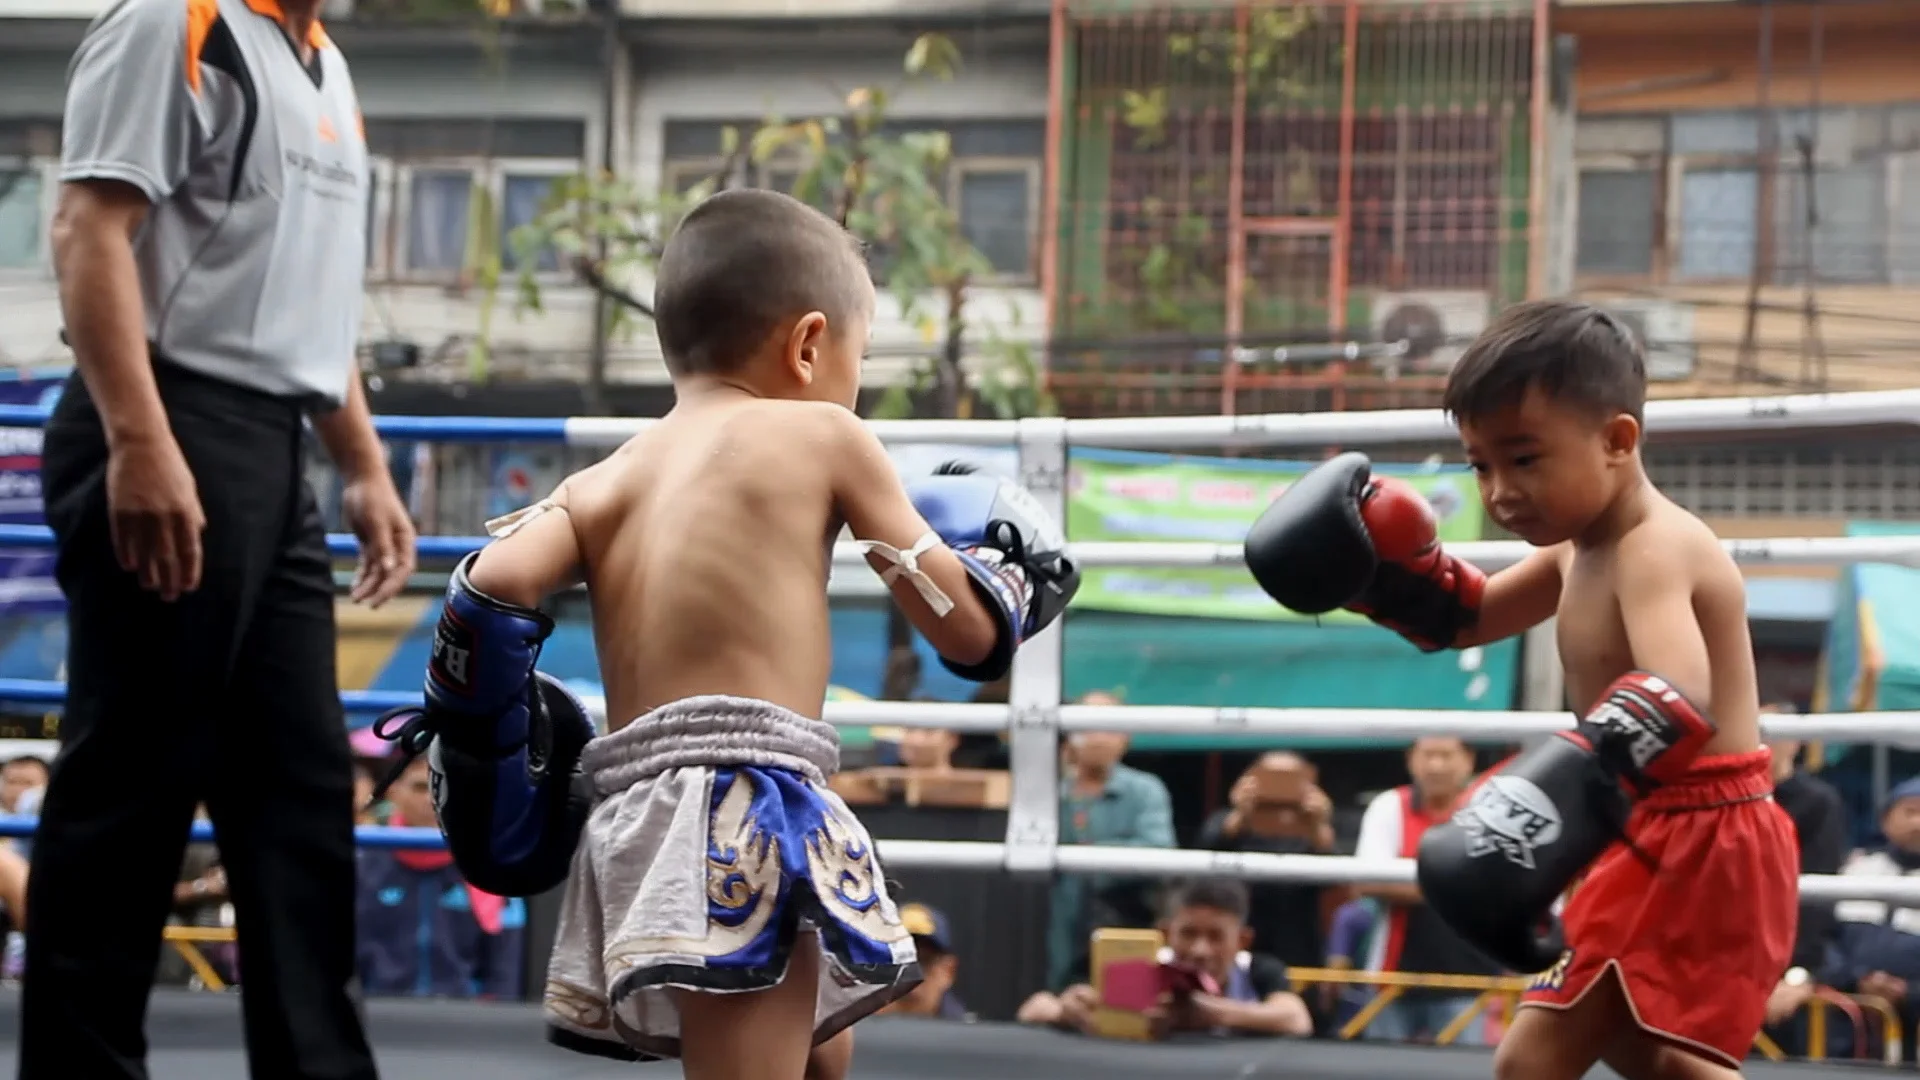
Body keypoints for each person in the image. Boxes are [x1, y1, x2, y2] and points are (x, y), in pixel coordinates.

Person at [376, 188, 1078, 1080]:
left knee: (819, 1053)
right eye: (858, 354)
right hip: (749, 810)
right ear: (810, 343)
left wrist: (483, 735)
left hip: (638, 813)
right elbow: (969, 636)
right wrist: (1008, 577)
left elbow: (492, 587)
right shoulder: (827, 435)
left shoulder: (606, 478)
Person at [1244, 298, 1798, 1079]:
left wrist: (1546, 793)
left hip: (1704, 834)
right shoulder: (1580, 549)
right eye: (1480, 464)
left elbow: (1681, 693)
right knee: (1625, 1059)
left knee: (1589, 1061)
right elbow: (1468, 614)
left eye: (1524, 458)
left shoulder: (1655, 548)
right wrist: (1379, 578)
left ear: (1616, 440)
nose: (1499, 490)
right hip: (1637, 819)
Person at [27, 0, 411, 1076]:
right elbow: (87, 228)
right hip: (164, 416)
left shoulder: (323, 64)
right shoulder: (172, 21)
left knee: (297, 791)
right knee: (133, 790)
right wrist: (138, 444)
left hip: (273, 445)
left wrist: (366, 466)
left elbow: (316, 306)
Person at [1018, 877, 1313, 1039]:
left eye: (1215, 937)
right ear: (1165, 932)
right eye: (1188, 934)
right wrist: (1066, 1011)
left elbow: (1296, 1019)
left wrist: (1209, 1014)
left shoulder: (1258, 971)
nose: (1200, 950)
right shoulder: (1132, 967)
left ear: (1242, 940)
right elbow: (1033, 1009)